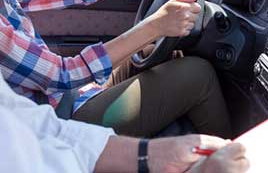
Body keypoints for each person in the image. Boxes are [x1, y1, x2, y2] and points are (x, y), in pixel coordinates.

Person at [0, 0, 231, 138]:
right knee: (199, 75)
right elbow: (62, 74)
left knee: (160, 52)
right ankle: (233, 161)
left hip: (65, 97)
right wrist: (156, 26)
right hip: (59, 125)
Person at [0, 72, 250, 173]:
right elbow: (59, 74)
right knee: (197, 73)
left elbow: (39, 124)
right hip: (71, 105)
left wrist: (152, 153)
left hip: (73, 103)